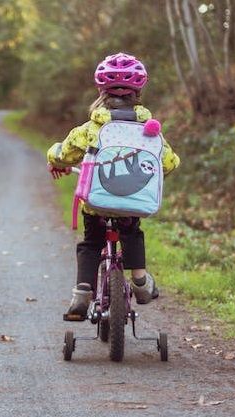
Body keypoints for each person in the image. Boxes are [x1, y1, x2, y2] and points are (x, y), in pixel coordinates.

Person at [47, 52, 180, 317]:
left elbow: (65, 152)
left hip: (97, 204)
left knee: (91, 242)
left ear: (101, 91)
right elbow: (169, 162)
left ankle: (82, 293)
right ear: (138, 92)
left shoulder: (92, 128)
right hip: (132, 205)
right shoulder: (148, 129)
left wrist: (55, 159)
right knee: (132, 233)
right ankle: (141, 281)